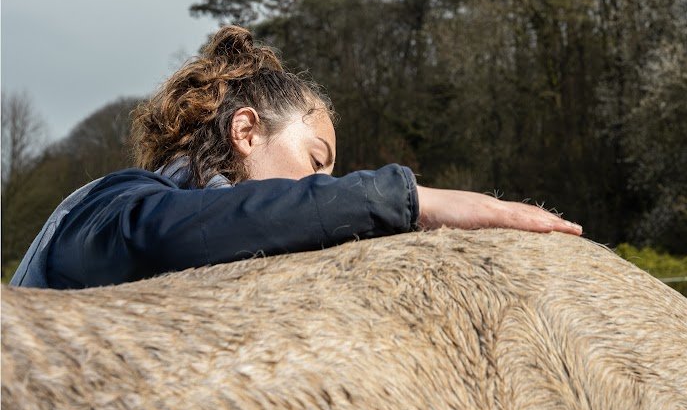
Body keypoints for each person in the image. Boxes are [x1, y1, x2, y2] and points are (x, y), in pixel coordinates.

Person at [10, 26, 582, 289]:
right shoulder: (105, 204)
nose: (319, 187)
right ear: (246, 131)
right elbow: (157, 237)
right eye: (316, 161)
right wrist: (411, 200)